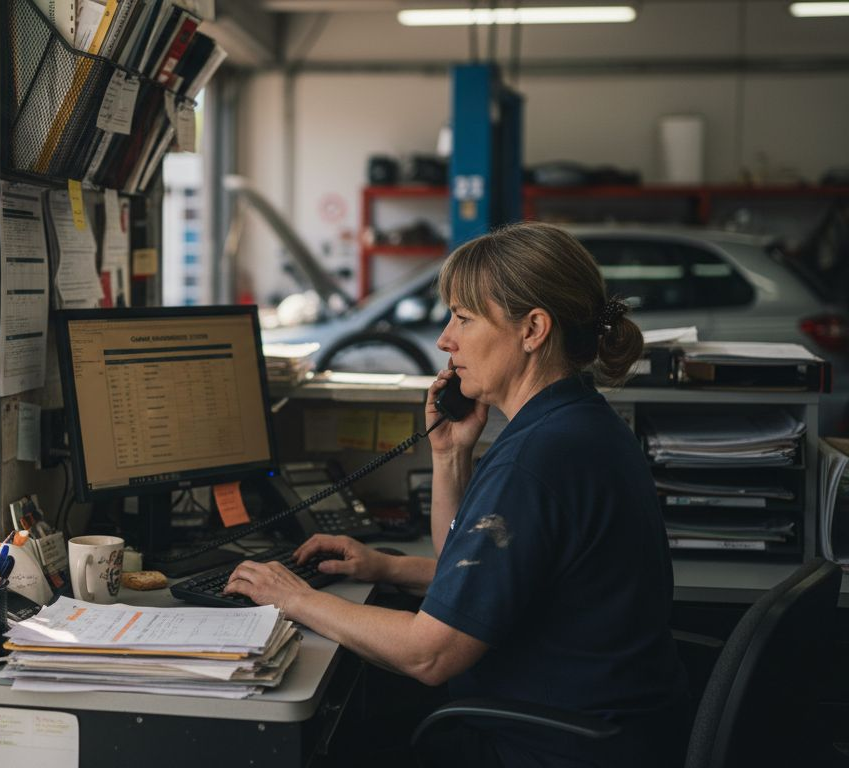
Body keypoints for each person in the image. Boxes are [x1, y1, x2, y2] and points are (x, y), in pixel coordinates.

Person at [224, 222, 689, 768]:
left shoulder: (536, 460)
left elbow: (430, 654)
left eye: (464, 319)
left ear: (533, 329)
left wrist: (294, 598)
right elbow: (472, 575)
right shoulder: (577, 423)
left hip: (544, 748)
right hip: (601, 733)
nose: (445, 340)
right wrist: (445, 464)